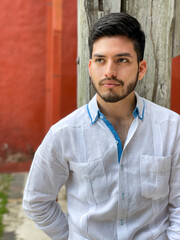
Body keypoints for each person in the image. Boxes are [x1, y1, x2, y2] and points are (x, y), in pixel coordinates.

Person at [23, 12, 180, 240]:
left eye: (122, 60)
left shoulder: (172, 128)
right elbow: (36, 201)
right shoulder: (63, 134)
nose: (109, 71)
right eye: (100, 60)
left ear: (141, 68)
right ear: (89, 67)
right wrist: (72, 236)